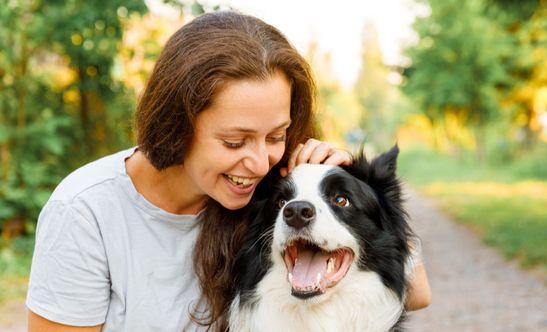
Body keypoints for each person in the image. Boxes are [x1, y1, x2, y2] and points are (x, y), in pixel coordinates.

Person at [26, 11, 430, 331]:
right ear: (177, 125)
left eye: (276, 135)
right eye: (235, 142)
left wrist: (349, 185)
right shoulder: (85, 211)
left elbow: (416, 292)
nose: (258, 164)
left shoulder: (280, 189)